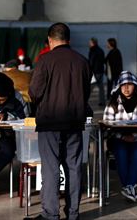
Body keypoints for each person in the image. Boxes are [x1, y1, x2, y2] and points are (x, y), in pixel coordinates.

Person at [29, 23, 91, 220]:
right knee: (73, 167)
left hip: (50, 122)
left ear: (49, 39)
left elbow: (34, 92)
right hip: (75, 122)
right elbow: (86, 92)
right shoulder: (82, 61)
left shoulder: (45, 60)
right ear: (69, 39)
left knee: (51, 167)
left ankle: (50, 214)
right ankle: (73, 214)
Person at [103, 71, 137, 202]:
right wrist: (122, 136)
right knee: (121, 152)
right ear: (119, 87)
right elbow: (107, 125)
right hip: (118, 139)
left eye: (129, 85)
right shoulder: (113, 102)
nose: (126, 88)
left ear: (135, 86)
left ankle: (128, 186)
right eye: (123, 85)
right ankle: (130, 187)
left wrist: (135, 136)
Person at [88, 37, 106, 106]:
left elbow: (91, 62)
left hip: (95, 72)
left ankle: (83, 101)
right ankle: (102, 101)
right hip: (100, 71)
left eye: (90, 43)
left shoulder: (93, 51)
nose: (89, 44)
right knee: (101, 87)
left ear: (93, 43)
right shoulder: (100, 50)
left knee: (90, 87)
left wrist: (89, 70)